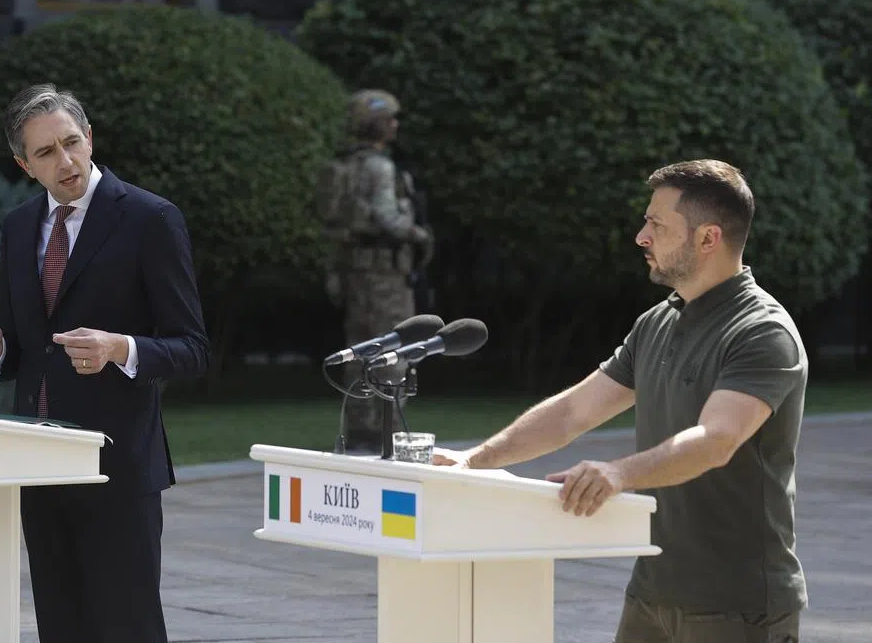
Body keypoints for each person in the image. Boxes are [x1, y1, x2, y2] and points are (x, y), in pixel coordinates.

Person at [434, 159, 807, 643]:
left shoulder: (761, 332)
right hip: (652, 592)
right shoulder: (657, 323)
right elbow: (572, 412)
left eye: (656, 224)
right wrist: (474, 461)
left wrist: (619, 473)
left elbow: (717, 440)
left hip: (739, 604)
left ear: (708, 239)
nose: (641, 237)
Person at [0, 83, 209, 643]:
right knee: (61, 625)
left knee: (127, 626)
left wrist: (119, 348)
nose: (66, 161)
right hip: (39, 463)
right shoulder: (19, 227)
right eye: (46, 153)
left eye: (72, 142)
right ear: (24, 165)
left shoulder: (151, 219)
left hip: (117, 465)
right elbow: (21, 338)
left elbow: (193, 347)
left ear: (90, 137)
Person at [317, 89, 433, 453]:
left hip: (354, 274)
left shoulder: (345, 166)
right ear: (379, 125)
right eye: (391, 119)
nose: (396, 125)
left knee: (359, 354)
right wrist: (418, 233)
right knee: (394, 353)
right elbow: (387, 218)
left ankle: (359, 433)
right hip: (386, 277)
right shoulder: (380, 167)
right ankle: (390, 434)